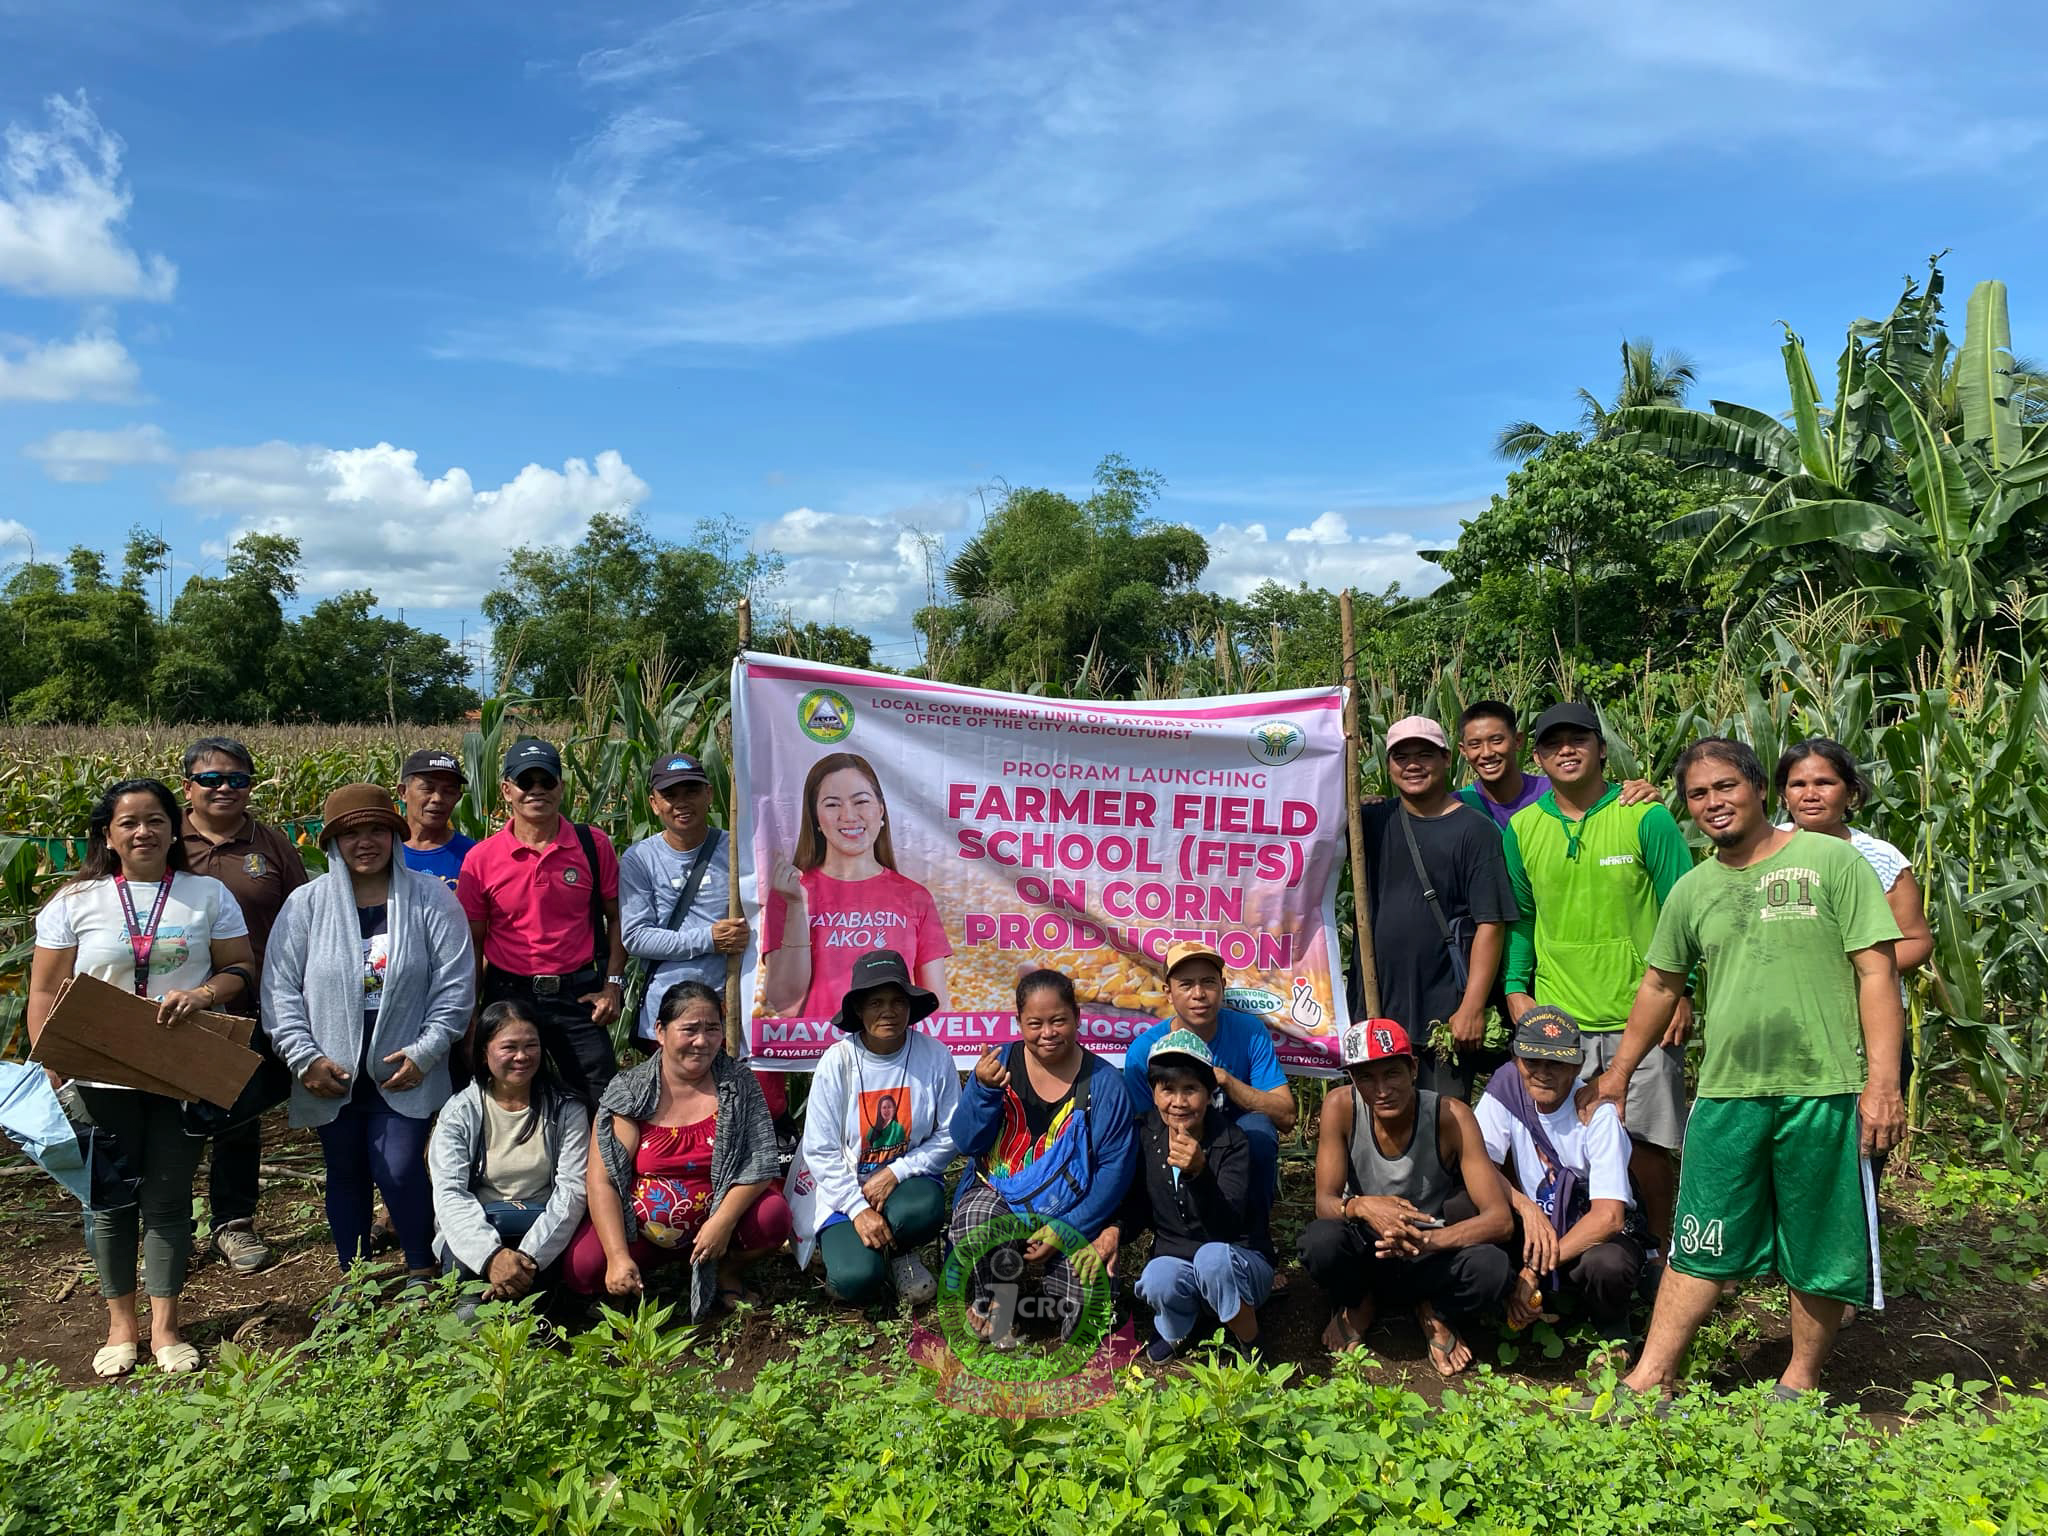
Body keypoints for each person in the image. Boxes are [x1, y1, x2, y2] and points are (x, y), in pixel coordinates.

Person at [1586, 737, 1905, 1400]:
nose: (1712, 803)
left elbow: (1876, 971)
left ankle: (1799, 1378)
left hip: (1825, 1088)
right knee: (1699, 1234)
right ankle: (1651, 1377)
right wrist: (1617, 1073)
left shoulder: (1831, 862)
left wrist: (1883, 1084)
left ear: (1760, 789)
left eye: (1725, 787)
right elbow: (1659, 987)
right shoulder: (1694, 889)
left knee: (1819, 1241)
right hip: (1729, 1092)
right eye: (1698, 794)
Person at [25, 778, 257, 1376]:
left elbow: (239, 969)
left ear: (173, 826)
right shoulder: (76, 902)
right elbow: (46, 990)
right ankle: (119, 1326)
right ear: (109, 835)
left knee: (169, 1201)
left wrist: (205, 994)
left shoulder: (206, 895)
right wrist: (53, 1064)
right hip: (99, 1078)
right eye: (128, 823)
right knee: (107, 1202)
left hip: (180, 1073)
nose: (143, 832)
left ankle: (166, 1329)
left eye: (154, 820)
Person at [1501, 701, 1693, 1250]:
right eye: (1553, 742)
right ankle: (1588, 1249)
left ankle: (1660, 1244)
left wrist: (1687, 991)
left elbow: (1682, 910)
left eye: (1578, 739)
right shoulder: (1522, 829)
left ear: (1601, 748)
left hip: (1643, 1011)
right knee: (1568, 1141)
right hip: (1561, 1018)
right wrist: (1516, 987)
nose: (1567, 750)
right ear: (1536, 756)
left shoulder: (1644, 816)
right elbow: (1521, 919)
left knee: (1649, 1142)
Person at [263, 785, 475, 1279]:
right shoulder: (305, 906)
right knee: (345, 1170)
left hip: (404, 1066)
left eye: (377, 829)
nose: (365, 842)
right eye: (351, 833)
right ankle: (353, 1277)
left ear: (395, 834)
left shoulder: (431, 898)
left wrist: (426, 1052)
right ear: (332, 842)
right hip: (329, 1069)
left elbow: (455, 986)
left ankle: (422, 1269)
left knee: (399, 1168)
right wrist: (304, 1058)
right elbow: (280, 990)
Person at [1297, 1019, 1514, 1377]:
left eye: (1392, 1074)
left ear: (1413, 1069)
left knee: (1492, 1267)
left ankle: (1436, 1310)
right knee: (1319, 1243)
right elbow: (1325, 1202)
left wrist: (1428, 1241)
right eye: (1366, 1078)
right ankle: (1359, 1303)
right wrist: (1363, 1206)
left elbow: (1499, 1219)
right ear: (1352, 1080)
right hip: (1369, 1248)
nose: (1381, 1089)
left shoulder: (1451, 1117)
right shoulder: (1340, 1107)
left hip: (1428, 1252)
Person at [567, 982, 790, 1318]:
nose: (702, 1041)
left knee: (773, 1217)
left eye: (712, 1028)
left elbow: (759, 1162)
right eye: (689, 1029)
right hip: (642, 1231)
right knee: (584, 1267)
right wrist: (616, 1256)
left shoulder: (739, 1084)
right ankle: (628, 1277)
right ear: (660, 1031)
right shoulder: (630, 1093)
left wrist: (723, 1222)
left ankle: (727, 1270)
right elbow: (603, 1180)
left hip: (717, 1227)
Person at [948, 969, 1136, 1344]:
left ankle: (1059, 1303)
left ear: (1077, 1018)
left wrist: (1067, 1228)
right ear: (1019, 1022)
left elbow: (1115, 1169)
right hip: (999, 1198)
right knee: (976, 1218)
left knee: (1088, 1306)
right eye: (1035, 1023)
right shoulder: (998, 1067)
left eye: (1058, 1021)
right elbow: (967, 1141)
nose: (1047, 1033)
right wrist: (983, 1091)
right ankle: (997, 1298)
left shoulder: (1103, 1084)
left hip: (1073, 1209)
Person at [179, 735, 308, 1275]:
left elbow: (305, 915)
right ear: (188, 786)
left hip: (256, 1003)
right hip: (177, 1007)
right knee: (174, 1121)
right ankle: (171, 1229)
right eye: (211, 779)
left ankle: (233, 1224)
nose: (225, 788)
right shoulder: (166, 839)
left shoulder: (270, 843)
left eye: (237, 779)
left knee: (240, 1117)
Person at [458, 738, 627, 1110]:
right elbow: (473, 944)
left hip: (577, 994)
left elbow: (617, 920)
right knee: (507, 1099)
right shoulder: (480, 859)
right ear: (506, 790)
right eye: (525, 782)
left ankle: (595, 1170)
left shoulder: (592, 845)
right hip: (509, 994)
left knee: (601, 1098)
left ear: (561, 788)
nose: (536, 790)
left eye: (546, 781)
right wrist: (472, 1018)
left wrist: (613, 986)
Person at [1357, 716, 1520, 1101]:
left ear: (1447, 759)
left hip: (1443, 1015)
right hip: (1376, 1006)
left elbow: (1491, 924)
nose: (1412, 764)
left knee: (1441, 1122)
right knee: (1379, 1119)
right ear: (1388, 763)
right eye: (1401, 756)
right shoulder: (1369, 822)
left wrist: (1472, 1007)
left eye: (1424, 754)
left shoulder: (1474, 831)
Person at [787, 949, 959, 1305]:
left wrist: (899, 1169)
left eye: (898, 1001)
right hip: (843, 1189)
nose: (889, 1012)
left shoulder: (935, 1055)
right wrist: (857, 1208)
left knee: (923, 1209)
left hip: (904, 1188)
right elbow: (820, 1149)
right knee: (856, 1280)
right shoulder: (838, 1062)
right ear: (859, 1010)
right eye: (876, 1002)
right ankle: (849, 1250)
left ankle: (901, 1253)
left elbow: (951, 1132)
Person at [1776, 737, 1934, 1102]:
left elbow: (1917, 940)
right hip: (1783, 1028)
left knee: (1858, 1148)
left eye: (1825, 783)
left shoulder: (1879, 857)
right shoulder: (1759, 850)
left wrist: (1855, 969)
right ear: (1783, 796)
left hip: (1865, 1031)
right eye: (1798, 784)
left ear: (1850, 794)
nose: (1810, 794)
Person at [618, 753, 774, 1110]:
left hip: (732, 1013)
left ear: (709, 794)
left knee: (735, 1113)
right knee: (674, 1112)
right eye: (671, 794)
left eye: (691, 791)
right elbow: (636, 936)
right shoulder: (640, 859)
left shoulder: (740, 850)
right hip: (671, 1014)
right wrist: (709, 939)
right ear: (654, 803)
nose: (682, 803)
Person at [1122, 941, 1296, 1259]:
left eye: (1208, 982)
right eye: (1186, 985)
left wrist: (1227, 1082)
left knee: (1258, 1130)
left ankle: (1255, 1246)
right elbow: (1145, 1129)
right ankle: (1169, 1238)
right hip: (1175, 1146)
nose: (1198, 994)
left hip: (1233, 1149)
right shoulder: (1143, 1051)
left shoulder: (1249, 1032)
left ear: (1223, 986)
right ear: (1168, 991)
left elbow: (1286, 1117)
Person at [1476, 1006, 1645, 1334]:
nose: (1542, 1072)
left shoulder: (1598, 1114)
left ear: (1578, 1065)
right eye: (1532, 1061)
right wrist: (1526, 1208)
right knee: (1464, 1204)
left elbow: (1608, 1217)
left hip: (1585, 1236)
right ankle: (1490, 1309)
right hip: (1535, 1229)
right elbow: (1479, 1165)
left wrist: (1533, 1269)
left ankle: (1612, 1331)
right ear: (1516, 1060)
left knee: (1608, 1264)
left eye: (1555, 1063)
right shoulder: (1508, 1087)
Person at [429, 1000, 590, 1315]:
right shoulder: (460, 1112)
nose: (522, 1056)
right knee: (470, 1319)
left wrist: (526, 1257)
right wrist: (492, 1257)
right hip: (476, 1229)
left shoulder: (566, 1110)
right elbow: (450, 1193)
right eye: (509, 1047)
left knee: (540, 1320)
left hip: (544, 1232)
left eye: (531, 1045)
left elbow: (571, 1191)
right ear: (483, 1052)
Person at [762, 753, 950, 1021]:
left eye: (861, 801)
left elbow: (937, 1003)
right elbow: (784, 1002)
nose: (848, 816)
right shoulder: (790, 892)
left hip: (896, 1053)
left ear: (881, 810)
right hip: (816, 1055)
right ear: (815, 816)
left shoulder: (915, 897)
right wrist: (796, 906)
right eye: (832, 804)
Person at [1123, 1030, 1269, 1362]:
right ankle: (1180, 1327)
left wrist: (1199, 1172)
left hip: (1239, 1263)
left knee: (1212, 1259)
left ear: (1210, 1093)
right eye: (1168, 1090)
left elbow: (1228, 1227)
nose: (1178, 1102)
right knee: (1158, 1275)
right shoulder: (1145, 1135)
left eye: (1190, 1089)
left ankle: (1251, 1340)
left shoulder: (1233, 1142)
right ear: (1153, 1093)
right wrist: (1113, 1231)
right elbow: (1135, 1207)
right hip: (1181, 1261)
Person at [1455, 701, 1660, 831]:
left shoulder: (1558, 791)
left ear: (1518, 741)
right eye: (1475, 745)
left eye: (1497, 740)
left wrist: (1647, 797)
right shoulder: (1457, 807)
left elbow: (1605, 804)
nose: (1487, 752)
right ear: (1463, 751)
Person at [398, 748, 476, 892]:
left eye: (449, 791)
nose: (438, 799)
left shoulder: (474, 856)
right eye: (428, 788)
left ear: (458, 798)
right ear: (403, 792)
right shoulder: (382, 852)